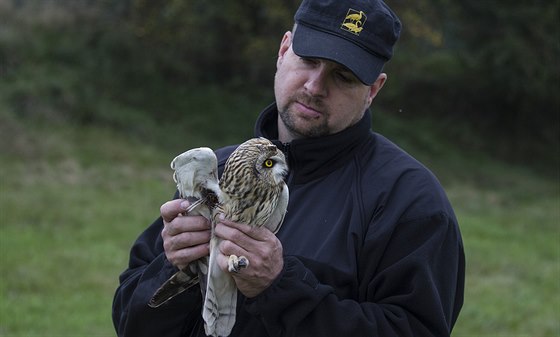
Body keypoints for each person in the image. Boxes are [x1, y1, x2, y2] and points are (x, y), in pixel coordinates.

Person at [112, 0, 465, 336]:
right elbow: (131, 323)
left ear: (373, 89)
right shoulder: (215, 171)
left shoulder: (409, 202)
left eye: (343, 76)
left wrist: (281, 289)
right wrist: (173, 266)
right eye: (309, 60)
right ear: (283, 51)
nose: (315, 87)